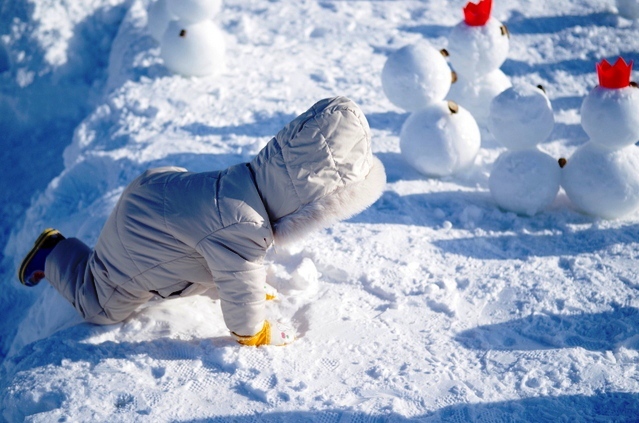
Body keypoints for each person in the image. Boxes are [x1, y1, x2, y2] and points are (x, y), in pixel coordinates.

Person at [18, 97, 386, 346]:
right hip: (139, 230)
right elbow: (241, 300)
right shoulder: (245, 228)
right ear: (307, 207)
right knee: (101, 304)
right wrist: (256, 332)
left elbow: (231, 262)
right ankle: (54, 252)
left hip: (161, 192)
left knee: (205, 248)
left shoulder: (248, 185)